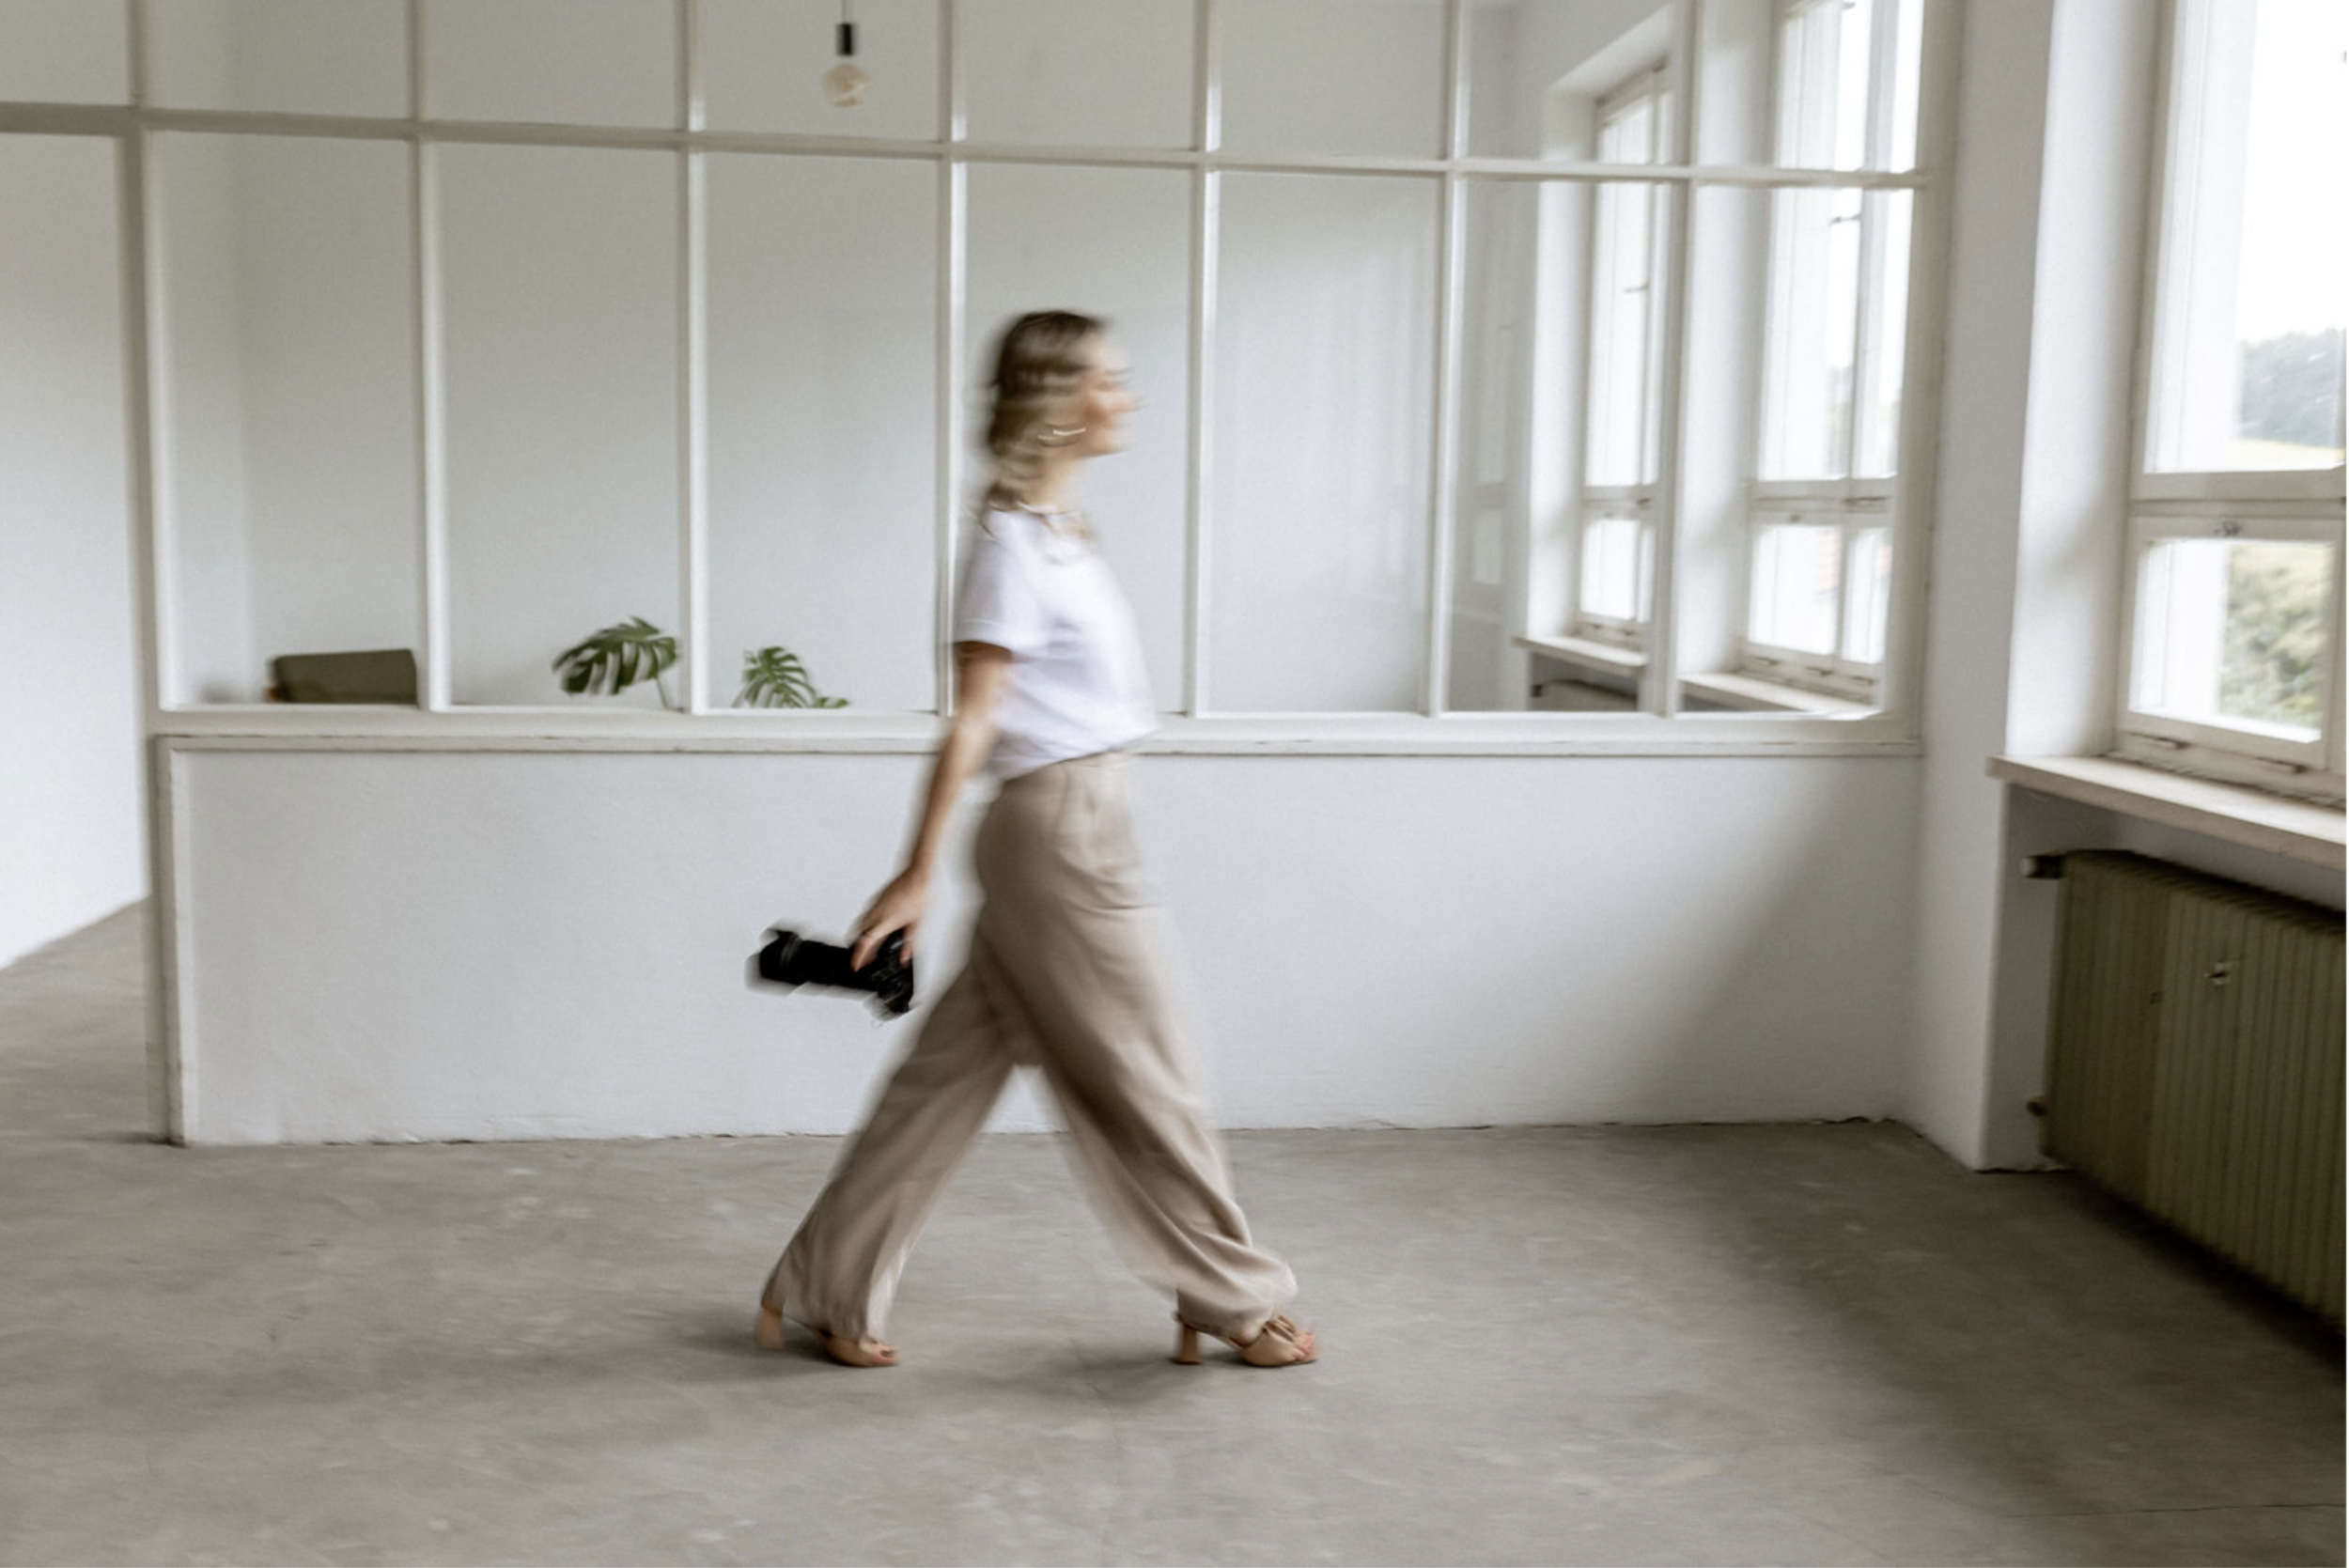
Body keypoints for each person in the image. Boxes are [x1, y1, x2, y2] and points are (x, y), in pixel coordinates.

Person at [754, 310, 1317, 1371]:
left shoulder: (1061, 537)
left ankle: (825, 1284)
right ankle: (1230, 1296)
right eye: (1109, 378)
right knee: (1152, 1069)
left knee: (945, 1082)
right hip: (1061, 840)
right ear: (1058, 402)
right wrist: (917, 871)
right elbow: (973, 719)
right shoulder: (1010, 549)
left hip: (1078, 825)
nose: (1127, 396)